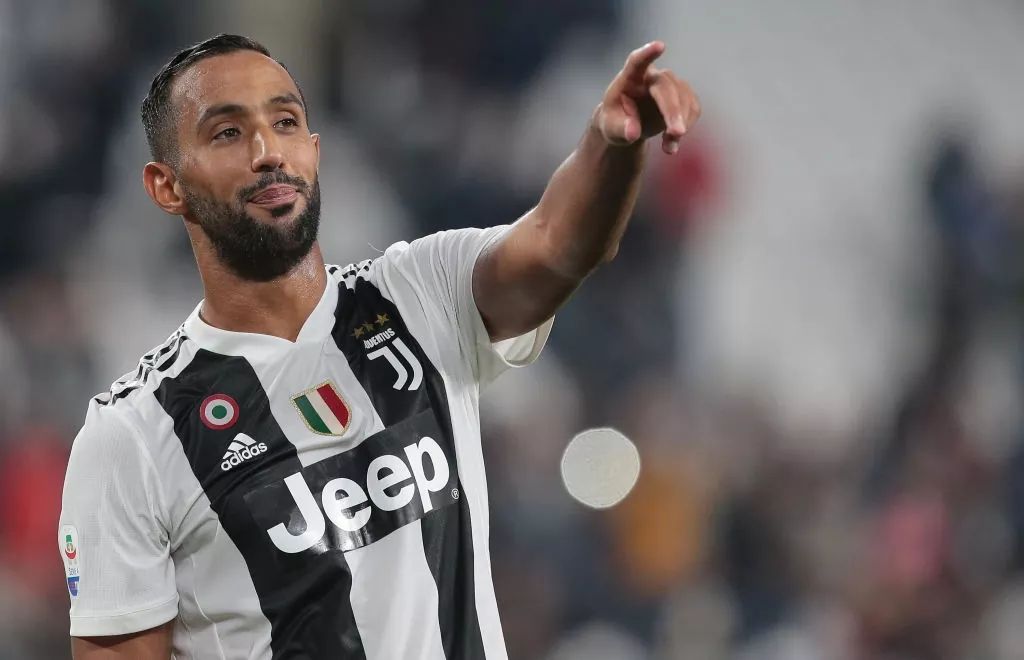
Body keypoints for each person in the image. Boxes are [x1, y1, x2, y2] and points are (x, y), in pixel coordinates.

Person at [58, 33, 699, 660]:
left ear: (314, 151)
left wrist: (612, 144)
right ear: (166, 186)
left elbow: (560, 244)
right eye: (227, 132)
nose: (267, 151)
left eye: (285, 122)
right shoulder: (132, 435)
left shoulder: (419, 291)